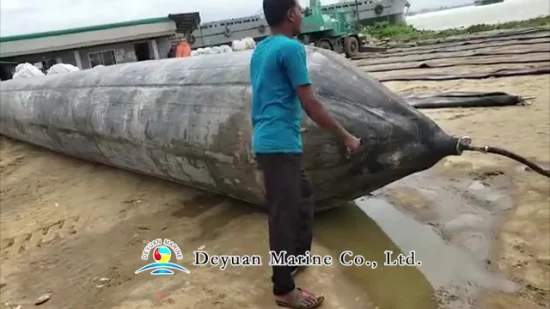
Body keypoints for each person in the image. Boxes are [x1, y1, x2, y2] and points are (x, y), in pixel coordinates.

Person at [249, 0, 363, 308]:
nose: (302, 15)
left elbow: (268, 95)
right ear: (290, 14)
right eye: (300, 10)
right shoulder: (291, 49)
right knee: (284, 217)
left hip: (272, 141)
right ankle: (283, 289)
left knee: (303, 198)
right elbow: (311, 104)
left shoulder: (261, 49)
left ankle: (295, 260)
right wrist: (346, 136)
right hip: (279, 147)